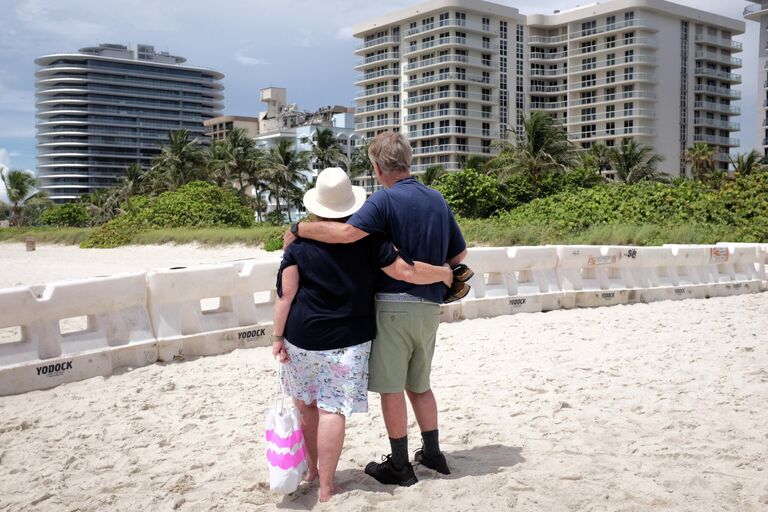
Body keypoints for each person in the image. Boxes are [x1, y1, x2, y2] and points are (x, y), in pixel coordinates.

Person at [283, 132, 468, 487]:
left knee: (392, 389)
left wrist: (298, 227)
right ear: (407, 161)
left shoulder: (384, 201)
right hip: (431, 308)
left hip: (394, 306)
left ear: (379, 168)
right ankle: (433, 454)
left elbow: (348, 234)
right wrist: (434, 270)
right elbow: (459, 256)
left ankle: (400, 464)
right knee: (421, 385)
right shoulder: (436, 198)